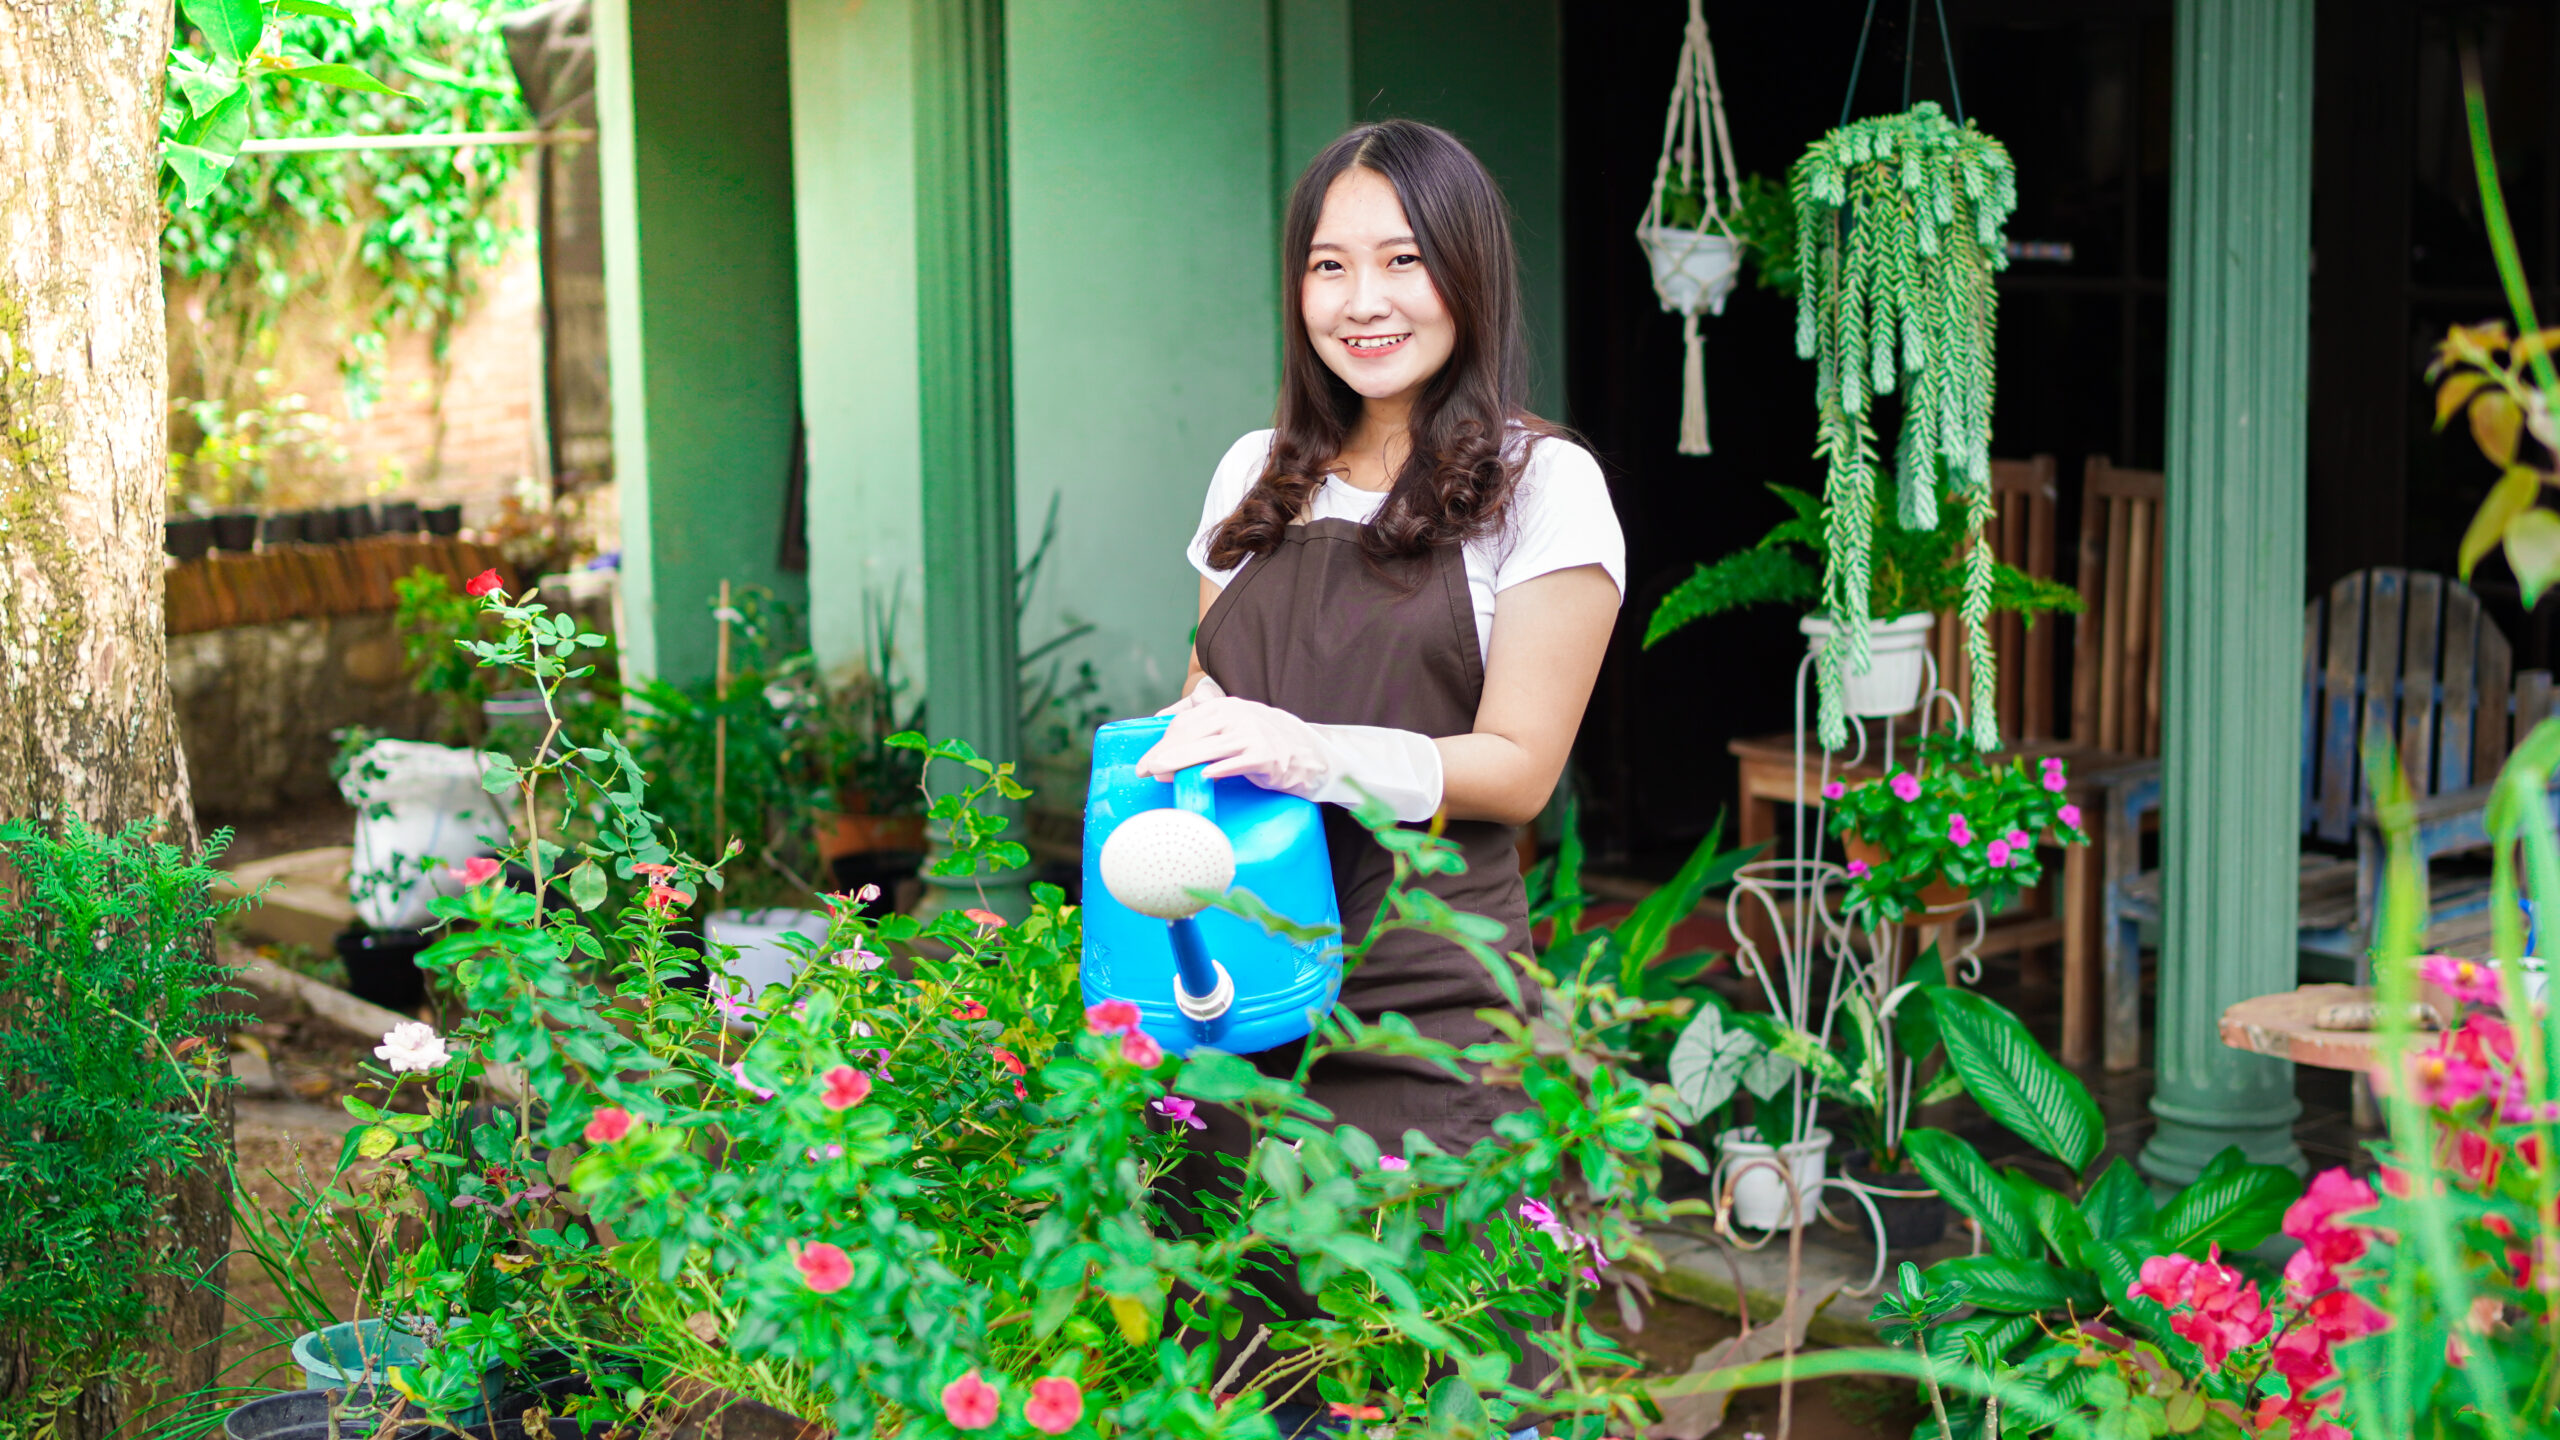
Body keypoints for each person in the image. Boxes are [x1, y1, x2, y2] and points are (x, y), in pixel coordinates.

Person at [1135, 118, 1623, 1426]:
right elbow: (1204, 718)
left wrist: (1319, 753)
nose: (1364, 302)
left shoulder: (1544, 486)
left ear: (1467, 272)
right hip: (1233, 1004)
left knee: (1448, 1384)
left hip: (1426, 1014)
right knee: (1250, 1383)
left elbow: (1519, 769)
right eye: (1329, 266)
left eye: (1402, 260)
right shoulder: (1257, 473)